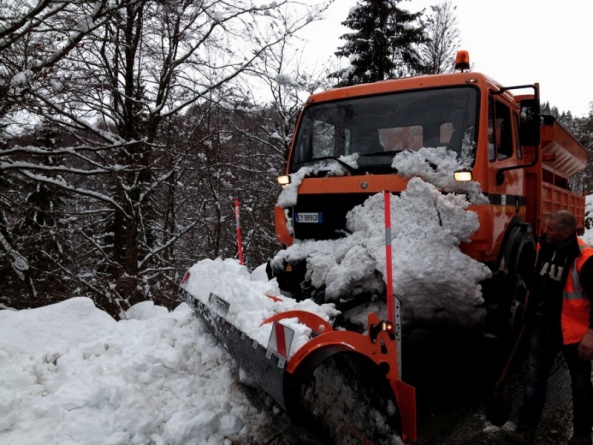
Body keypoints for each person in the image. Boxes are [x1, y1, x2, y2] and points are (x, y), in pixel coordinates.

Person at [506, 210, 593, 445]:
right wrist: (528, 307)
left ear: (566, 233)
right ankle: (526, 430)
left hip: (574, 333)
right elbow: (537, 281)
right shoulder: (542, 247)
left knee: (581, 385)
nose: (545, 231)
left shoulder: (585, 258)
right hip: (542, 325)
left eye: (550, 229)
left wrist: (590, 334)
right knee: (534, 378)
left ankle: (583, 435)